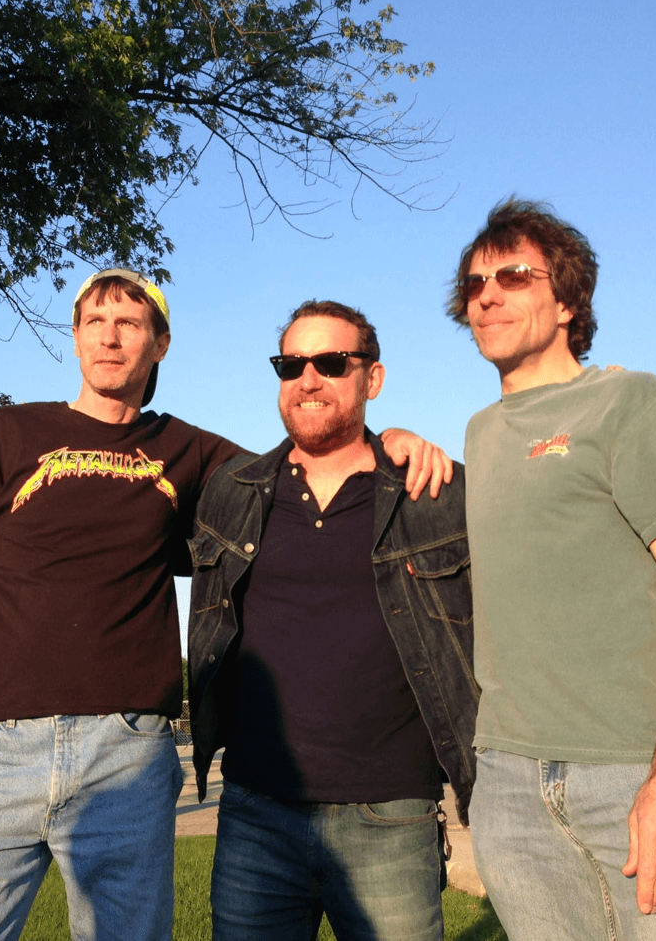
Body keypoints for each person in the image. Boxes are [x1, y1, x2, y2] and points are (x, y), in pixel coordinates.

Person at [0, 269, 448, 941]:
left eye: (130, 323)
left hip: (126, 750)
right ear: (75, 339)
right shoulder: (6, 434)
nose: (110, 337)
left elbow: (309, 469)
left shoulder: (189, 452)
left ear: (159, 344)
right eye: (94, 323)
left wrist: (389, 441)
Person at [448, 199, 656, 940]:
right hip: (510, 785)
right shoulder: (481, 434)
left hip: (632, 773)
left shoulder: (627, 400)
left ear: (566, 301)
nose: (487, 293)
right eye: (474, 282)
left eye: (514, 275)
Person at [188, 300, 476, 941]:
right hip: (255, 813)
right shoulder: (230, 491)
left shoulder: (435, 493)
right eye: (291, 364)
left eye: (330, 362)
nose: (308, 379)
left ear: (372, 379)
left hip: (391, 816)